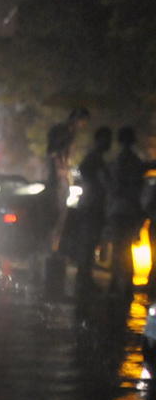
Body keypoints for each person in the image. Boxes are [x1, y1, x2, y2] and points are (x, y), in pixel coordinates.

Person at [106, 126, 152, 292]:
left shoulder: (117, 162)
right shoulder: (135, 162)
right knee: (126, 248)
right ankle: (125, 284)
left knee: (119, 248)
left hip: (118, 210)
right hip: (131, 210)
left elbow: (112, 187)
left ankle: (115, 283)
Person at [73, 127, 113, 292]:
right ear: (99, 140)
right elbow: (85, 170)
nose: (109, 143)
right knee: (88, 243)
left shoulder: (96, 158)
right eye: (107, 139)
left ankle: (84, 277)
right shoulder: (95, 158)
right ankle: (84, 278)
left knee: (89, 243)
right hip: (91, 206)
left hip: (91, 205)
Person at [46, 107, 90, 254]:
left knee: (62, 215)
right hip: (57, 179)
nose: (82, 125)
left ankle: (54, 248)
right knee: (56, 214)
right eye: (82, 121)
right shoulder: (62, 134)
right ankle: (50, 248)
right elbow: (54, 152)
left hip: (63, 177)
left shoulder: (71, 136)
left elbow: (69, 160)